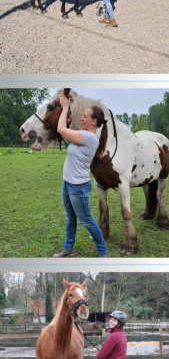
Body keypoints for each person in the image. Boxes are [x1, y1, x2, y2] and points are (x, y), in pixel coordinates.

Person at [53, 92, 109, 258]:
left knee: (87, 221)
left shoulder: (90, 138)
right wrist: (69, 105)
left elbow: (61, 129)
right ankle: (68, 248)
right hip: (67, 183)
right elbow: (66, 129)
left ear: (94, 121)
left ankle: (103, 252)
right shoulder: (83, 135)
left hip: (78, 188)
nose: (82, 119)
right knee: (70, 218)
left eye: (85, 117)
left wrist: (65, 107)